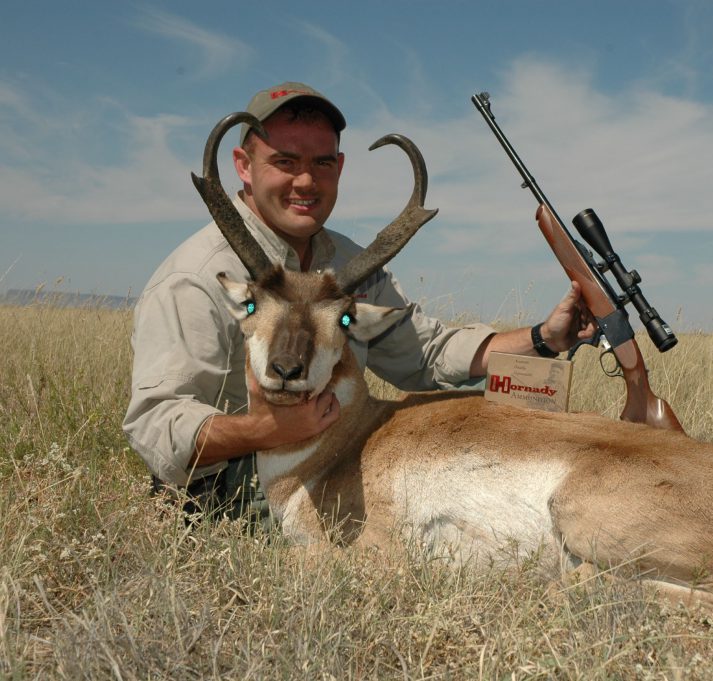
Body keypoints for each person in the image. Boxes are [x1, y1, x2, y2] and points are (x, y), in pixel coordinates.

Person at [122, 82, 595, 525]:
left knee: (491, 450)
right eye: (285, 161)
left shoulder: (349, 265)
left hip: (333, 450)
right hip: (227, 485)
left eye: (322, 163)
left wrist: (542, 337)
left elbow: (424, 355)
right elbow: (156, 425)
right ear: (243, 165)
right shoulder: (197, 276)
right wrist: (267, 431)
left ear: (340, 167)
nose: (306, 180)